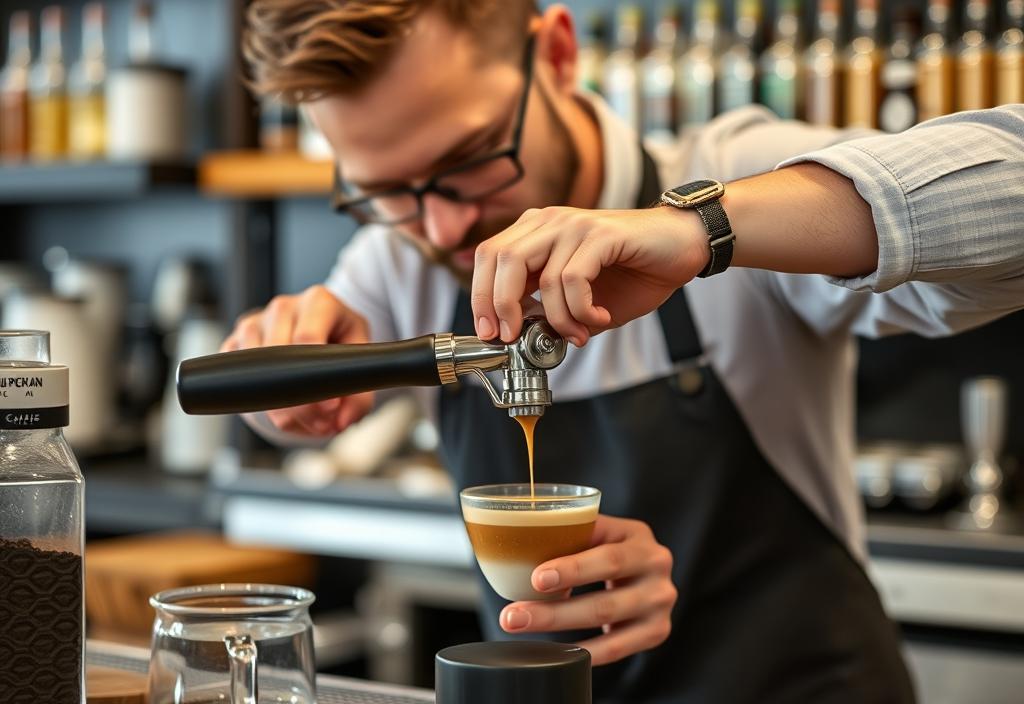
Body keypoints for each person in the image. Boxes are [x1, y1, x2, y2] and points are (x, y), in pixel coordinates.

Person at [233, 1, 1024, 702]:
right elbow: (293, 397)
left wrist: (699, 231)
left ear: (558, 55)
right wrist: (289, 386)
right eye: (385, 192)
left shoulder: (737, 174)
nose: (441, 230)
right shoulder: (404, 257)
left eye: (469, 160)